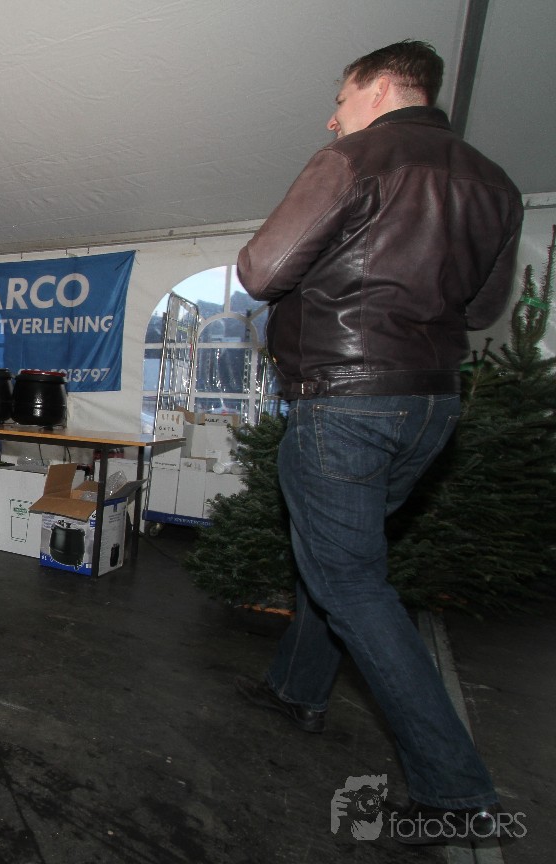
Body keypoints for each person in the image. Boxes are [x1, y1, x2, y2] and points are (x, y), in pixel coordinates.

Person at [233, 41, 522, 844]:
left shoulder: (352, 159)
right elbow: (482, 308)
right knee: (338, 559)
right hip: (431, 405)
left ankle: (457, 794)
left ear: (383, 87)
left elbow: (261, 270)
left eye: (342, 97)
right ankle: (297, 687)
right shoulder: (496, 183)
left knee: (351, 582)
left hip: (344, 400)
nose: (334, 117)